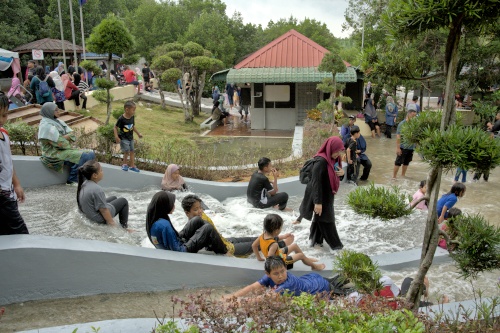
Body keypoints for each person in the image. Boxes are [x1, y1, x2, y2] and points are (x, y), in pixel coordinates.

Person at [297, 137, 345, 250]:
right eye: (336, 150)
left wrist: (342, 173)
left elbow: (336, 175)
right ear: (330, 148)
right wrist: (317, 202)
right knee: (328, 219)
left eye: (340, 151)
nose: (338, 153)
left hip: (328, 195)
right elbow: (316, 183)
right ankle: (337, 247)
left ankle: (315, 242)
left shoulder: (334, 159)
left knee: (320, 218)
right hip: (321, 196)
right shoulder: (321, 161)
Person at [145, 191, 228, 254]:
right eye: (171, 204)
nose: (174, 206)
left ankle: (211, 243)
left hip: (177, 244)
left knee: (197, 220)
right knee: (208, 228)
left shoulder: (157, 219)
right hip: (182, 251)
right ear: (164, 206)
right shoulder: (164, 225)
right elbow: (177, 250)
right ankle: (225, 252)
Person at [37, 102, 96, 185]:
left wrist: (63, 137)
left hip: (62, 150)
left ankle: (84, 179)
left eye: (58, 109)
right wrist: (65, 137)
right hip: (52, 153)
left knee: (90, 153)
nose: (59, 111)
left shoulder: (57, 122)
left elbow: (72, 135)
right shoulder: (46, 126)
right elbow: (61, 143)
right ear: (49, 111)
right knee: (83, 155)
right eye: (56, 110)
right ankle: (73, 180)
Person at [182, 194, 258, 257]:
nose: (200, 211)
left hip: (225, 240)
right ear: (187, 213)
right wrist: (226, 254)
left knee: (255, 239)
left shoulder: (201, 216)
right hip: (227, 248)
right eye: (196, 209)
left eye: (200, 208)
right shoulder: (196, 226)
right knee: (259, 243)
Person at [229, 256, 340, 298]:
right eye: (276, 273)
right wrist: (232, 296)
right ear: (268, 274)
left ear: (286, 268)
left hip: (322, 287)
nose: (281, 276)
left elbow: (261, 299)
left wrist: (233, 304)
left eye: (282, 271)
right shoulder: (268, 277)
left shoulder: (287, 285)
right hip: (311, 278)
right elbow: (252, 287)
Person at [0, 93, 29, 235]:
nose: (1, 120)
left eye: (4, 115)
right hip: (2, 197)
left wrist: (16, 184)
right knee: (20, 233)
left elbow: (8, 162)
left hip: (8, 192)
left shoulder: (4, 134)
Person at [252, 214, 325, 271]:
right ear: (276, 230)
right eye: (281, 228)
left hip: (278, 255)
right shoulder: (273, 244)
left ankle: (306, 259)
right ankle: (314, 266)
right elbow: (269, 260)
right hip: (282, 263)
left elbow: (254, 245)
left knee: (294, 246)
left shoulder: (263, 235)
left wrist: (259, 258)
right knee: (300, 255)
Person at [77, 160, 129, 228]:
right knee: (123, 201)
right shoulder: (97, 189)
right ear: (95, 175)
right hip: (98, 219)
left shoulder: (84, 184)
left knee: (114, 198)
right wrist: (112, 223)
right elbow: (104, 210)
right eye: (101, 170)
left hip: (89, 213)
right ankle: (125, 227)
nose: (102, 172)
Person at [114, 101, 143, 172]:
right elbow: (115, 127)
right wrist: (116, 137)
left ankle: (132, 165)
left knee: (132, 151)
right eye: (133, 110)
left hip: (131, 138)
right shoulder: (121, 119)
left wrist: (138, 133)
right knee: (126, 151)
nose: (134, 112)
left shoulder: (132, 117)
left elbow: (133, 127)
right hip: (124, 138)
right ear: (127, 110)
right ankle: (124, 164)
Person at [392, 105, 418, 179]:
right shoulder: (402, 124)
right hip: (403, 147)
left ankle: (403, 175)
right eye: (413, 114)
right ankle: (394, 177)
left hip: (411, 147)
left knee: (407, 162)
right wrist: (398, 148)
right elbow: (398, 136)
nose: (414, 116)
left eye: (415, 115)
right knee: (398, 162)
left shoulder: (415, 124)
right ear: (409, 114)